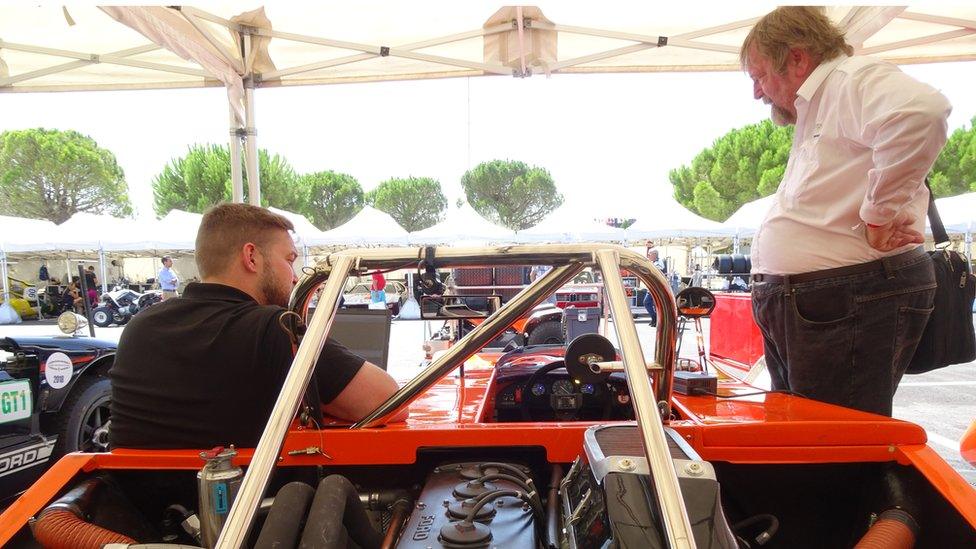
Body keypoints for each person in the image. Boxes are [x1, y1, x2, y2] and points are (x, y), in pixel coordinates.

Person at [743, 7, 949, 416]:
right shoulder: (823, 100)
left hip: (848, 294)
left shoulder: (850, 79)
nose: (758, 92)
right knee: (808, 436)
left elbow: (921, 112)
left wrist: (877, 215)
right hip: (827, 298)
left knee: (833, 443)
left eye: (760, 75)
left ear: (798, 58)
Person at [110, 203, 406, 449]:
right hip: (254, 513)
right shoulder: (274, 329)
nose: (294, 276)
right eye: (289, 259)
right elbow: (390, 402)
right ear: (251, 257)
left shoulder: (139, 328)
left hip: (130, 515)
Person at [642, 247, 666, 326]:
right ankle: (654, 318)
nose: (648, 256)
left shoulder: (659, 263)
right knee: (647, 302)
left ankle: (657, 320)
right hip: (652, 287)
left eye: (650, 254)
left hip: (657, 287)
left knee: (655, 304)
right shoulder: (652, 262)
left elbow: (655, 273)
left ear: (655, 254)